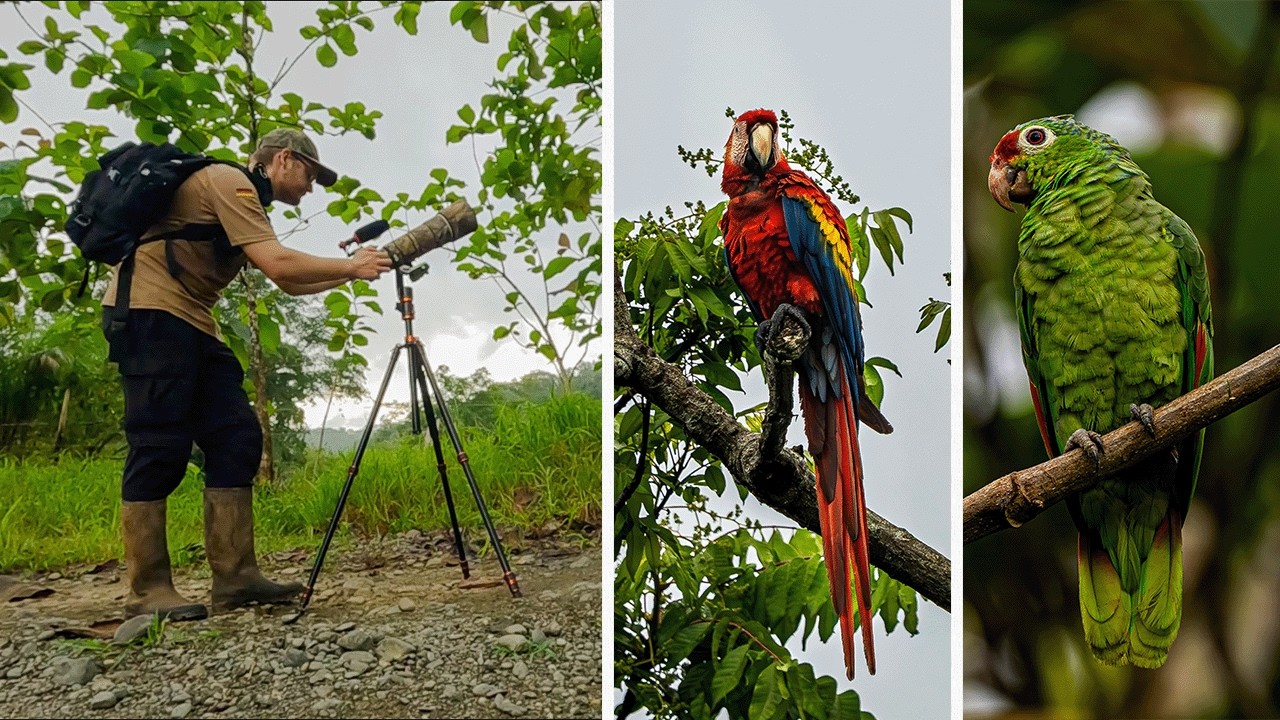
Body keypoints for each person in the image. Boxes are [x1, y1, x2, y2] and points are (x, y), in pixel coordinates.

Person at [101, 129, 393, 621]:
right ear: (283, 160)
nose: (311, 187)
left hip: (191, 321)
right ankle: (146, 590)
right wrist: (350, 266)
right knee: (159, 445)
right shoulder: (228, 182)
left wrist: (352, 271)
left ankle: (235, 578)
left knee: (236, 436)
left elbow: (289, 284)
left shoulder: (246, 199)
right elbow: (279, 264)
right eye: (310, 174)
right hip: (150, 315)